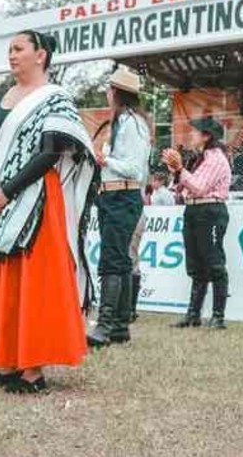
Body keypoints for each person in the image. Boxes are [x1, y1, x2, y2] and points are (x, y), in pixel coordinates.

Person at [0, 30, 98, 394]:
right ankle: (6, 361)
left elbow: (50, 153)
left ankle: (32, 370)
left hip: (35, 198)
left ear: (41, 55)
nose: (12, 55)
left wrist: (7, 190)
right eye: (9, 50)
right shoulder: (3, 97)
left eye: (18, 49)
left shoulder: (56, 99)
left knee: (31, 281)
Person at [87, 65, 150, 348]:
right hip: (115, 197)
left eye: (110, 88)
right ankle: (119, 326)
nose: (107, 92)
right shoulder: (126, 122)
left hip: (122, 196)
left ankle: (106, 324)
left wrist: (105, 161)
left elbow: (134, 169)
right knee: (121, 260)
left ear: (117, 93)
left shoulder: (132, 125)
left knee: (113, 260)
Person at [162, 116, 232, 330]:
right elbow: (180, 189)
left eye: (196, 131)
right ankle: (194, 315)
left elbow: (199, 187)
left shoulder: (215, 158)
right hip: (195, 209)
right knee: (195, 263)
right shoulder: (200, 158)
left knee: (214, 262)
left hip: (209, 209)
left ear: (206, 136)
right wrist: (177, 170)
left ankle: (218, 316)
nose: (191, 134)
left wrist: (180, 169)